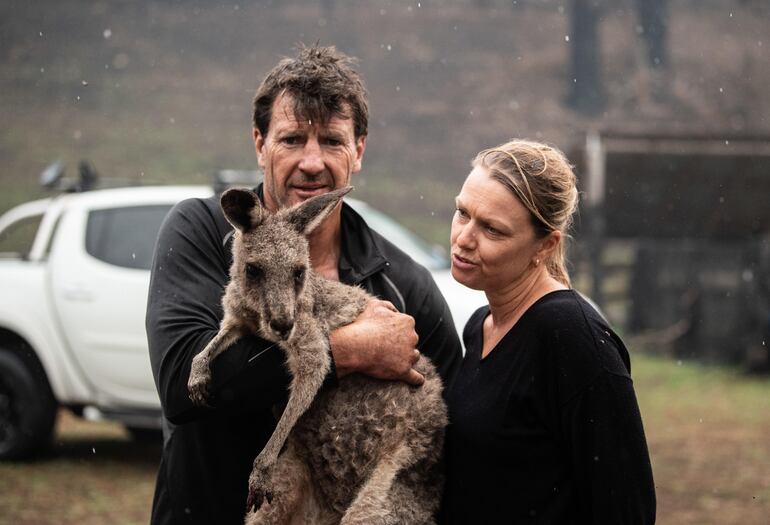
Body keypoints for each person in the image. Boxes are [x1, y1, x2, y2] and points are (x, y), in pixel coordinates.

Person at [146, 45, 462, 525]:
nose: (312, 162)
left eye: (332, 141)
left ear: (358, 150)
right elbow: (180, 386)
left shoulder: (400, 284)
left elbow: (453, 428)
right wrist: (347, 350)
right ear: (259, 144)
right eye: (292, 139)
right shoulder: (203, 234)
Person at [439, 139, 656, 524]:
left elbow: (627, 509)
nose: (464, 238)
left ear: (545, 245)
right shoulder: (480, 326)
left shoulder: (571, 337)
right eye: (462, 213)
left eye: (492, 229)